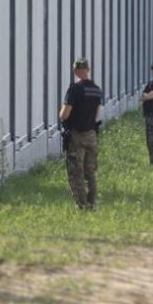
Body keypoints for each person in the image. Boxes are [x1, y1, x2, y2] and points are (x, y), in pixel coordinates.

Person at [59, 58, 103, 210]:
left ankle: (82, 205)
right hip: (91, 135)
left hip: (76, 136)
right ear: (88, 69)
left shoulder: (75, 89)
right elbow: (97, 114)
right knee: (90, 172)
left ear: (76, 71)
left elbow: (65, 114)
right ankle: (92, 203)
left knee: (76, 171)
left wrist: (61, 114)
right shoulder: (96, 90)